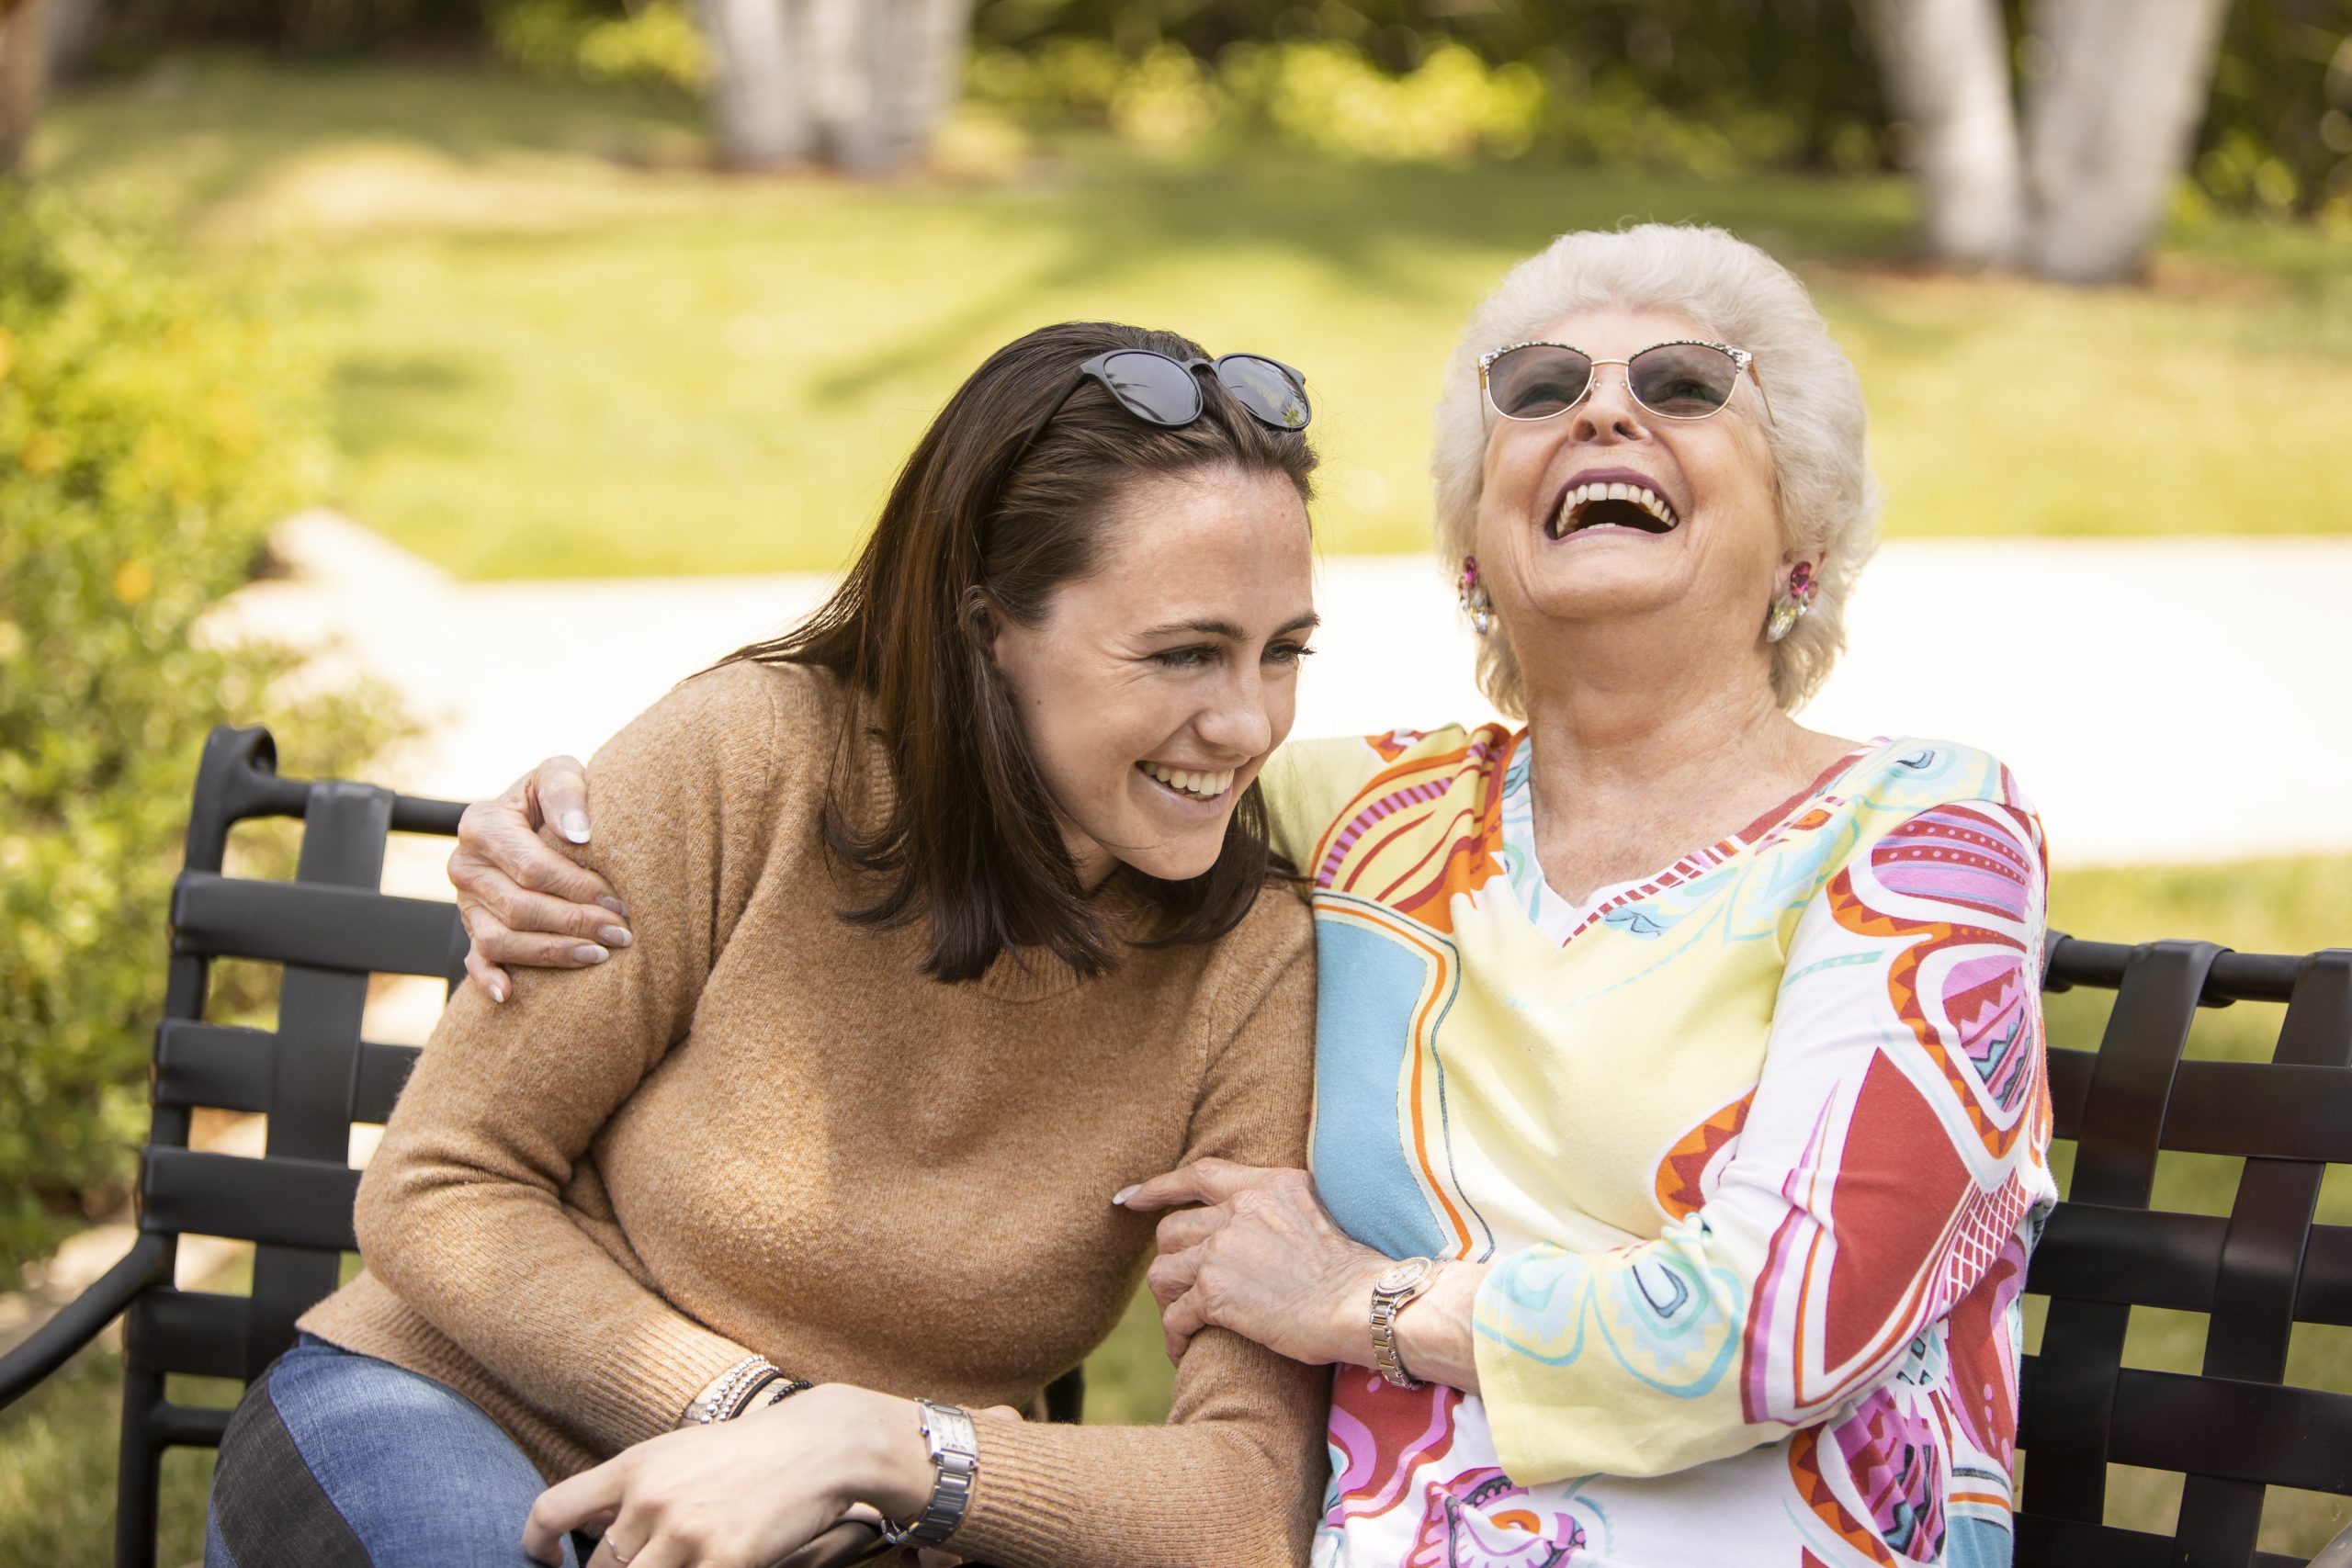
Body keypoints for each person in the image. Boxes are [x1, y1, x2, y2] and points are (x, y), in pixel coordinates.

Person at [462, 224, 2057, 1568]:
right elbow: (1009, 723)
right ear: (1471, 553)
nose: (1604, 414)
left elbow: (1778, 1326)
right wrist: (554, 818)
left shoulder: (1927, 840)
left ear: (1809, 536)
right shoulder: (1348, 809)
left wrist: (1358, 1303)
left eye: (1688, 386)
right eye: (1543, 390)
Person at [203, 321, 1337, 1568]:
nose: (1245, 722)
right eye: (1183, 652)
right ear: (984, 630)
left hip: (842, 1533)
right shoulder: (755, 759)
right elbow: (441, 1185)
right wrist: (760, 1422)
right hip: (454, 1418)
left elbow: (1247, 1498)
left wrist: (881, 1459)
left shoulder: (1256, 954)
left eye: (1283, 652)